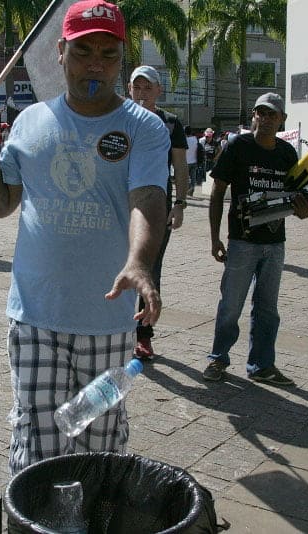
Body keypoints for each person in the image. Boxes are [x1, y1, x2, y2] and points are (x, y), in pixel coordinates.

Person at [0, 0, 169, 475]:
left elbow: (147, 199)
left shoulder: (144, 128)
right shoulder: (31, 122)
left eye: (108, 53)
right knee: (37, 440)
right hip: (35, 314)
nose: (96, 63)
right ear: (60, 51)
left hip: (106, 319)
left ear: (121, 55)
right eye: (83, 51)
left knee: (100, 442)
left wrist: (139, 261)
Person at [203, 92, 308, 387]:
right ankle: (218, 358)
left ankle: (262, 366)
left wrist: (303, 210)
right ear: (253, 116)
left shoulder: (287, 154)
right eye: (259, 113)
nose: (263, 120)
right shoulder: (238, 146)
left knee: (268, 309)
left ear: (282, 121)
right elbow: (217, 193)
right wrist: (215, 239)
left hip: (275, 244)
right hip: (242, 242)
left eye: (271, 115)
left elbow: (294, 199)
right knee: (231, 306)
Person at [127, 65, 188, 360]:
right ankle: (114, 329)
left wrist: (180, 204)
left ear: (159, 90)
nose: (142, 93)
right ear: (129, 90)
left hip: (156, 206)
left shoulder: (171, 123)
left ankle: (143, 336)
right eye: (137, 87)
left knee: (149, 269)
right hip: (121, 204)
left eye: (148, 88)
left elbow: (180, 167)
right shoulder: (120, 118)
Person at [185, 126, 199, 195]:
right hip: (194, 160)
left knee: (186, 177)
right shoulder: (195, 139)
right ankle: (192, 189)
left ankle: (188, 190)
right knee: (193, 177)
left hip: (186, 161)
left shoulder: (184, 140)